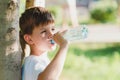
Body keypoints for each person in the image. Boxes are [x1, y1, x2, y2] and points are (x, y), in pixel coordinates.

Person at [19, 7, 68, 80]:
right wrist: (63, 46)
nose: (51, 34)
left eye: (52, 29)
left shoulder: (41, 60)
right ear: (29, 39)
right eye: (44, 32)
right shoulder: (32, 61)